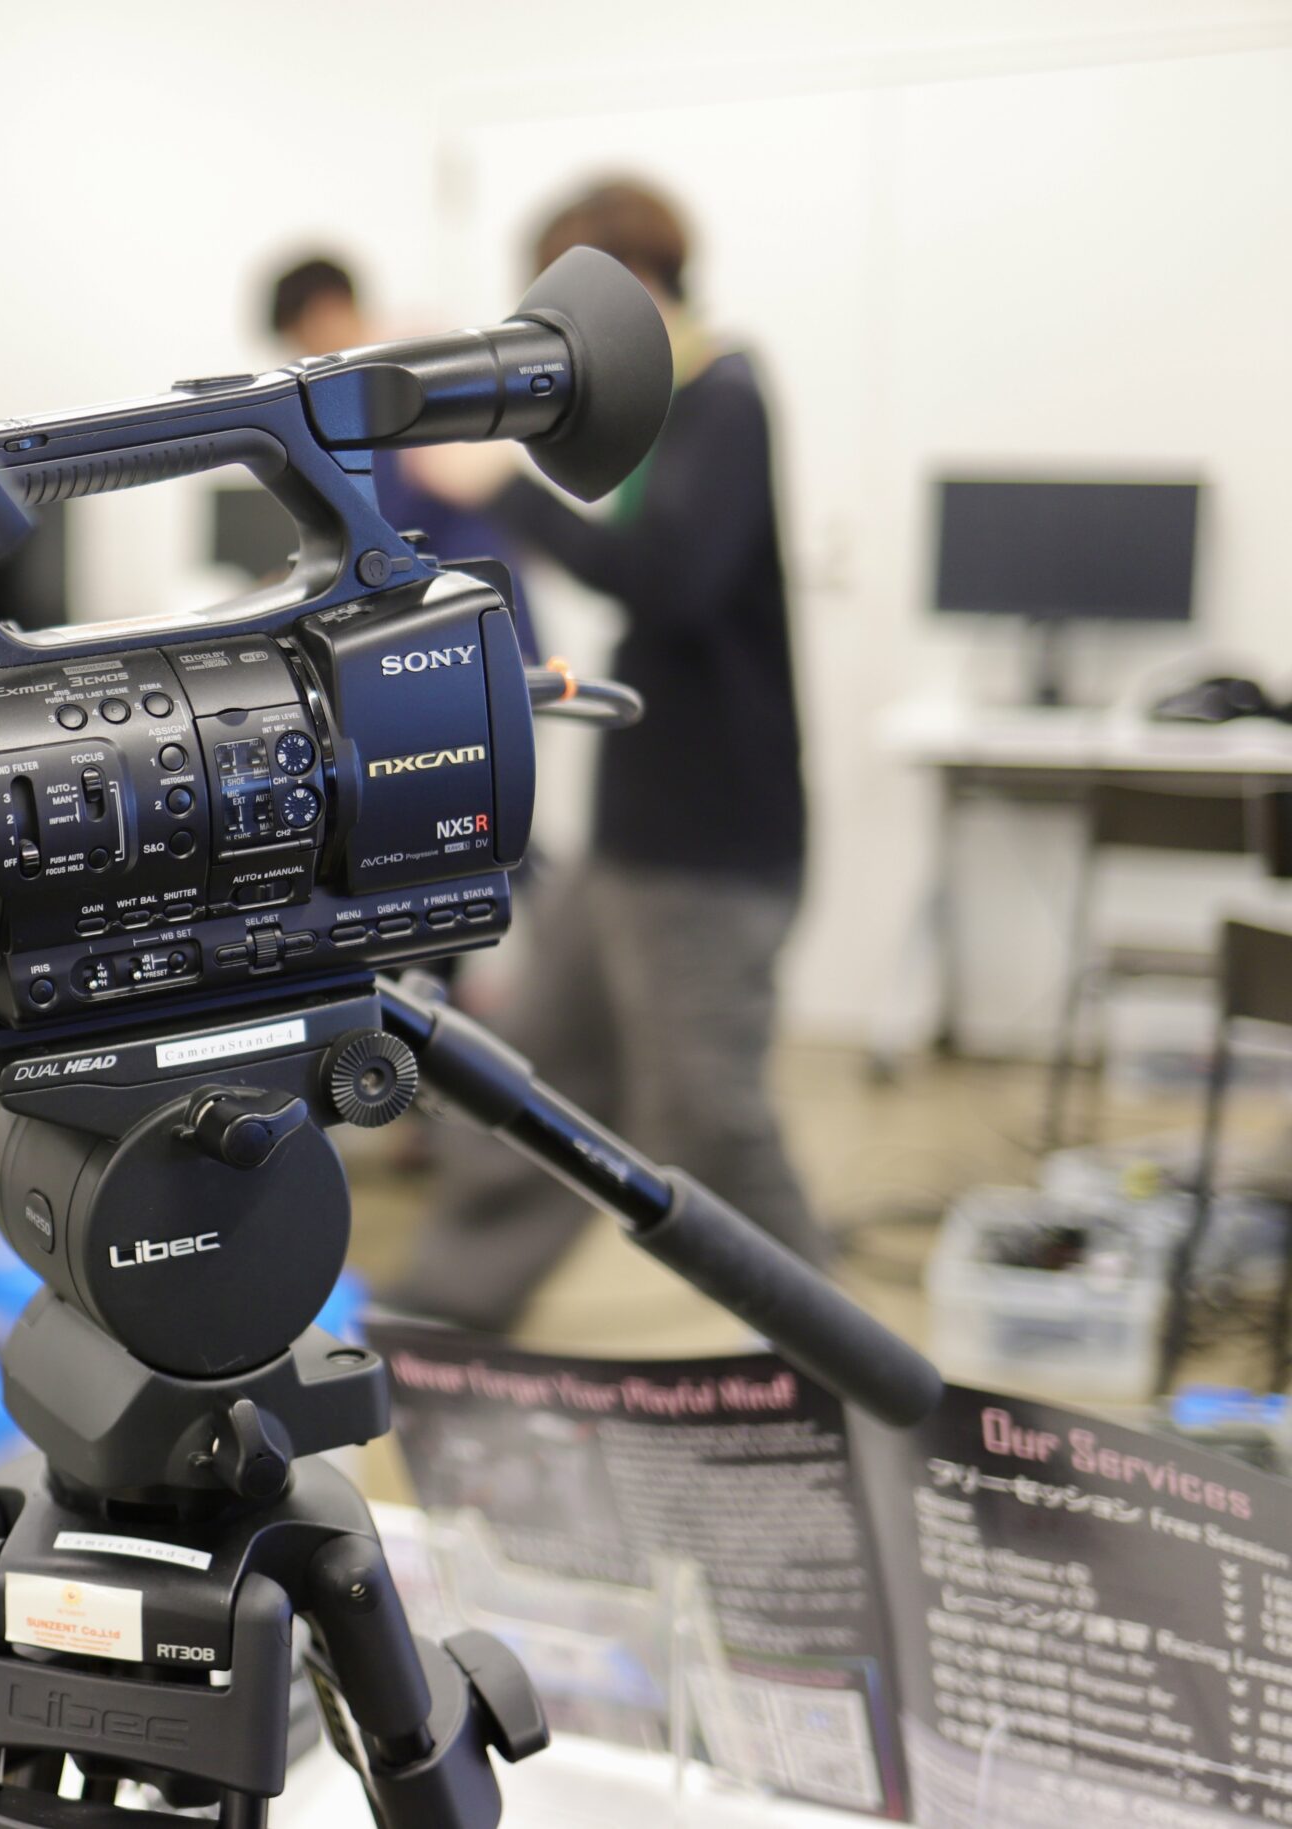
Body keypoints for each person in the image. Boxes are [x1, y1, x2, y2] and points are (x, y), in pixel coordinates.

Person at [385, 177, 831, 1332]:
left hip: (709, 842)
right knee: (531, 1077)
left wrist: (504, 489)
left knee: (704, 1121)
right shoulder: (671, 409)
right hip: (638, 830)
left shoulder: (725, 396)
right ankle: (443, 1311)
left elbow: (672, 580)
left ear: (629, 288)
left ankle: (837, 1357)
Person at [264, 254, 535, 657]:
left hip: (469, 597)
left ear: (326, 312)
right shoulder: (360, 402)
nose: (302, 362)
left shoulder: (403, 381)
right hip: (440, 609)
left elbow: (389, 521)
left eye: (300, 343)